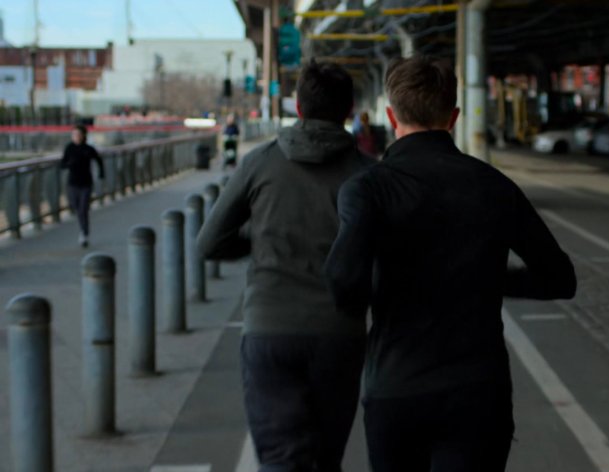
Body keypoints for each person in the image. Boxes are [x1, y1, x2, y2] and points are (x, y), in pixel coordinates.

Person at [325, 56, 577, 472]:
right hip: (478, 391)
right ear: (454, 117)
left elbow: (342, 285)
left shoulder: (367, 189)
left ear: (392, 116)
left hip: (396, 387)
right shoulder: (495, 186)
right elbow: (560, 279)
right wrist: (489, 278)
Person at [197, 60, 370, 472]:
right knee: (325, 460)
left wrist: (260, 240)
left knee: (281, 459)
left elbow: (209, 243)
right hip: (339, 333)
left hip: (269, 328)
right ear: (349, 109)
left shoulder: (260, 162)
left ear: (299, 106)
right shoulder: (367, 174)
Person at [60, 124, 104, 248]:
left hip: (86, 183)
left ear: (84, 135)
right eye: (74, 134)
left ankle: (84, 233)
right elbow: (62, 164)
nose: (76, 136)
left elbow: (99, 160)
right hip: (72, 183)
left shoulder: (88, 149)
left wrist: (101, 174)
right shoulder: (69, 148)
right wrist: (70, 163)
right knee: (75, 207)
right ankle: (83, 230)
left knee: (83, 209)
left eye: (78, 134)